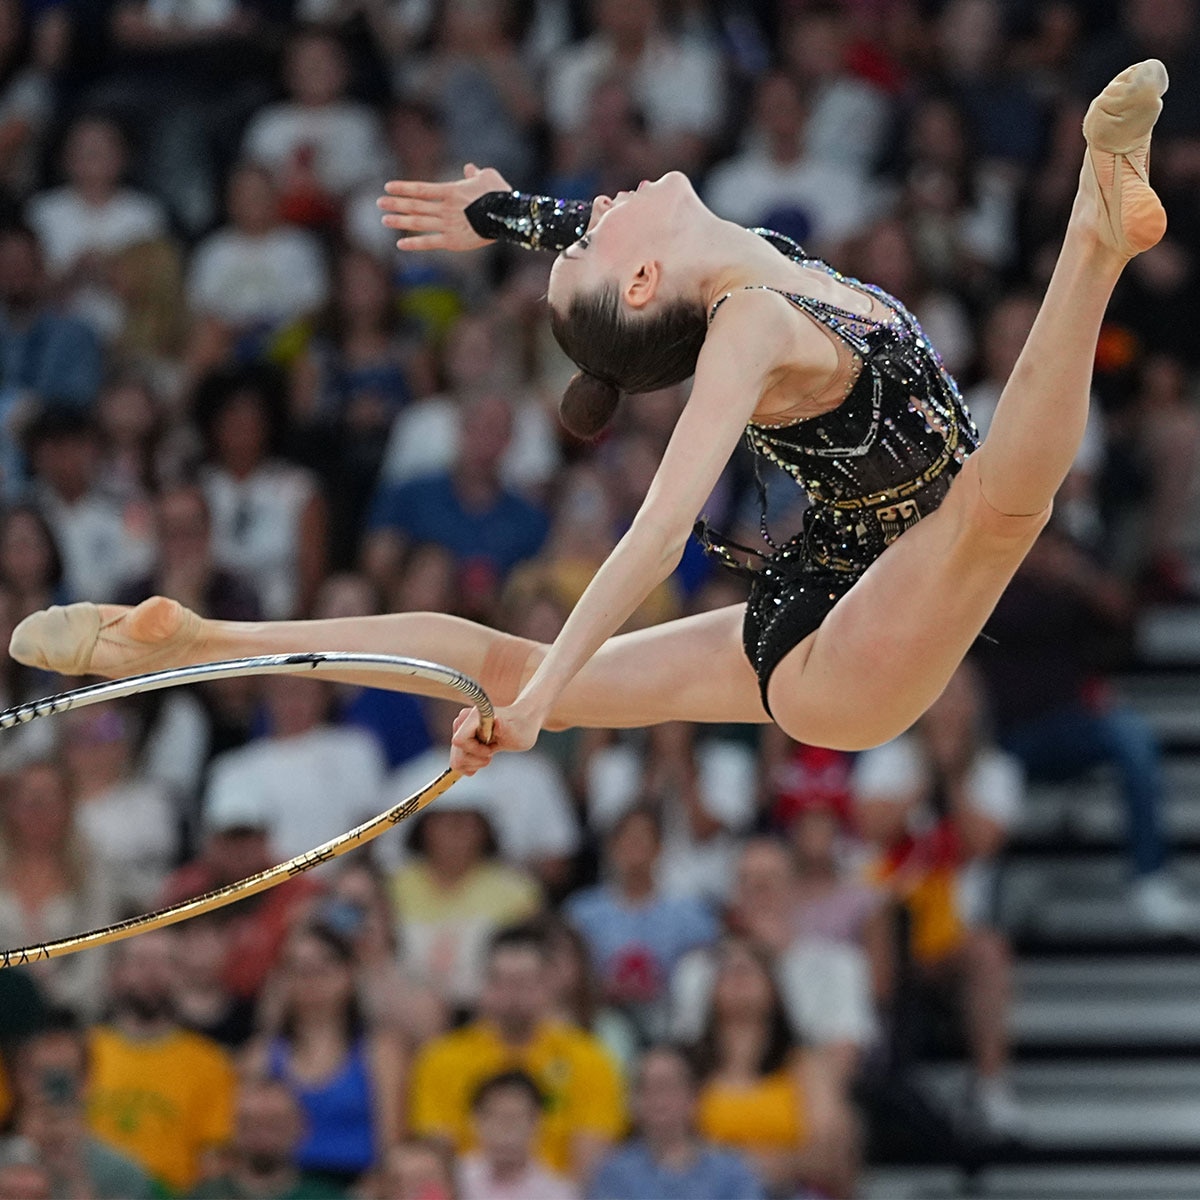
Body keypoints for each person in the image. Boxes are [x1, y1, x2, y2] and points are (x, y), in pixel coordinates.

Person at [10, 64, 1174, 781]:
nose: (592, 214)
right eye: (591, 241)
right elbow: (660, 528)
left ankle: (197, 640)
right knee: (999, 510)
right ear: (641, 284)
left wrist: (502, 214)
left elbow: (592, 239)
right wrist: (542, 706)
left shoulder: (736, 256)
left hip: (823, 598)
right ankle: (1093, 234)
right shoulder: (751, 320)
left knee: (499, 659)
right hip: (856, 662)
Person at [409, 923, 624, 1182]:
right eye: (500, 982)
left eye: (524, 982)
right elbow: (438, 1160)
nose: (512, 996)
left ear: (548, 985)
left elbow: (588, 1171)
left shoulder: (590, 1060)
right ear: (483, 986)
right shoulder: (442, 1059)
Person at [248, 921, 406, 1188]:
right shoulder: (260, 1057)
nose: (310, 979)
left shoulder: (381, 1053)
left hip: (358, 1188)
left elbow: (390, 1149)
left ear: (349, 973)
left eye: (322, 967)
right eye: (298, 969)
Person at [87, 932, 237, 1194]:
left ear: (182, 975)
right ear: (117, 973)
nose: (151, 974)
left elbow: (213, 1160)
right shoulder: (85, 1051)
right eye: (140, 962)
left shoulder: (210, 1062)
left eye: (164, 962)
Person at [587, 1044, 763, 1200]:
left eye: (667, 1086)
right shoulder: (615, 1174)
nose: (658, 1099)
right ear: (633, 1102)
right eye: (646, 1088)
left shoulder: (731, 1172)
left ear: (693, 1098)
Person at [9, 1011, 154, 1200]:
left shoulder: (122, 1173)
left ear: (86, 1082)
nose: (52, 1089)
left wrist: (76, 1176)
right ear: (21, 1078)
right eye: (42, 1074)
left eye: (64, 1076)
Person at [186, 1076, 346, 1199]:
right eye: (250, 1122)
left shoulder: (326, 1196)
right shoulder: (204, 1196)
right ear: (232, 1128)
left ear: (302, 1128)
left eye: (274, 1122)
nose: (262, 1133)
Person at [460, 1070, 577, 1200]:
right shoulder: (455, 1180)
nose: (506, 1130)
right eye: (497, 1118)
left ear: (537, 1123)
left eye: (515, 1119)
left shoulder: (559, 1193)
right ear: (475, 1122)